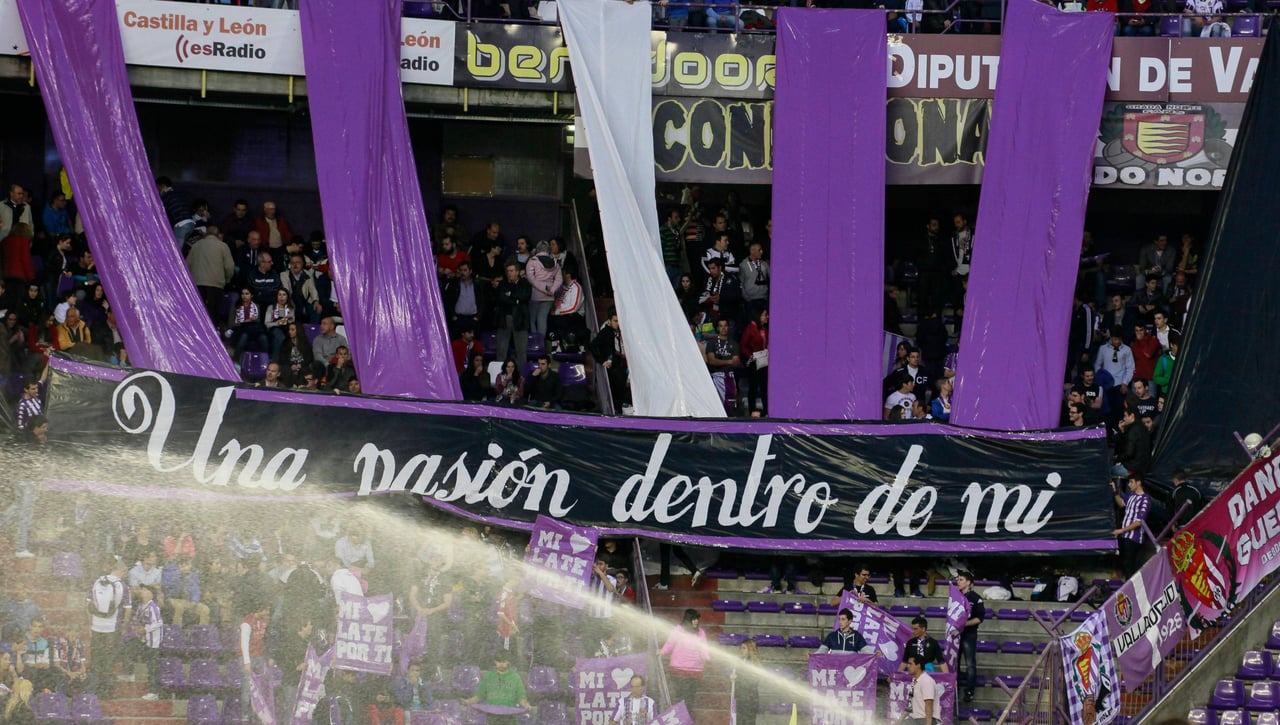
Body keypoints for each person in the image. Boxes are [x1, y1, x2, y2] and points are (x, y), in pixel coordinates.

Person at [88, 555, 131, 699]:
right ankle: (107, 692)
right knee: (109, 660)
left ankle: (93, 690)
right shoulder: (122, 586)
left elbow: (88, 606)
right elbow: (128, 609)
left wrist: (91, 623)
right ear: (122, 570)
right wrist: (123, 627)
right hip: (111, 629)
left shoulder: (97, 581)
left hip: (96, 627)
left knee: (96, 659)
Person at [659, 610, 710, 716]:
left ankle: (687, 719)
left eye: (697, 619)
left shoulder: (701, 632)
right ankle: (680, 718)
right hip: (679, 669)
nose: (696, 621)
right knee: (680, 696)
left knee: (690, 698)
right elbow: (670, 643)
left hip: (695, 670)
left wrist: (707, 658)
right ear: (688, 619)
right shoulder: (678, 630)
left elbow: (704, 648)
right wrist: (662, 651)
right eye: (694, 619)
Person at [464, 654, 531, 725]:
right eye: (499, 662)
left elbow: (521, 696)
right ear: (495, 662)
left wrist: (526, 705)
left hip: (510, 716)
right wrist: (468, 701)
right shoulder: (489, 676)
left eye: (504, 661)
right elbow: (479, 695)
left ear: (508, 662)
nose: (501, 664)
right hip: (492, 716)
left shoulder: (515, 677)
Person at [591, 310, 629, 413]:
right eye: (615, 321)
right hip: (612, 367)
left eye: (618, 321)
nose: (617, 323)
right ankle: (616, 409)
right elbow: (593, 346)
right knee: (616, 389)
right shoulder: (606, 332)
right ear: (610, 321)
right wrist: (602, 360)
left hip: (619, 364)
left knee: (621, 387)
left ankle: (620, 408)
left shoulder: (619, 332)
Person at [1113, 475, 1151, 577]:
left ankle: (1131, 590)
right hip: (1124, 536)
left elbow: (1139, 521)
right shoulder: (1131, 496)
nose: (1129, 484)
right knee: (1124, 564)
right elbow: (1121, 504)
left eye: (1131, 482)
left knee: (1129, 565)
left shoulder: (1145, 499)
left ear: (1138, 483)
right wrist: (1115, 492)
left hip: (1134, 537)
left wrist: (1121, 530)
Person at [494, 262, 532, 366]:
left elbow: (525, 296)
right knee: (501, 350)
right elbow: (501, 298)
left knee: (521, 351)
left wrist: (510, 296)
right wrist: (516, 300)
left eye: (511, 271)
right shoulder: (503, 284)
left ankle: (521, 378)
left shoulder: (525, 283)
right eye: (508, 271)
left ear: (518, 272)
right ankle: (499, 378)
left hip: (520, 320)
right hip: (504, 319)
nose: (509, 273)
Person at [956, 571, 984, 703]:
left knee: (970, 663)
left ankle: (969, 691)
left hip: (969, 634)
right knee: (954, 662)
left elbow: (979, 618)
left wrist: (964, 624)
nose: (958, 582)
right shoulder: (955, 597)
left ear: (968, 582)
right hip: (955, 634)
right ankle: (953, 689)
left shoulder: (976, 598)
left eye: (961, 579)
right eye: (958, 579)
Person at [525, 241, 562, 338]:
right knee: (542, 318)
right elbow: (559, 280)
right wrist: (552, 290)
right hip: (549, 296)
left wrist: (542, 289)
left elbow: (530, 278)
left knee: (532, 320)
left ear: (537, 249)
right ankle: (541, 343)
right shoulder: (555, 263)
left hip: (536, 295)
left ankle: (535, 343)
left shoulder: (532, 261)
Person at [739, 308, 768, 417]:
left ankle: (766, 411)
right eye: (764, 315)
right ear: (758, 316)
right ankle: (752, 410)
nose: (767, 317)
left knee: (765, 387)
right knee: (753, 388)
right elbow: (743, 345)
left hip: (765, 361)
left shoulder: (765, 328)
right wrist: (751, 356)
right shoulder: (750, 329)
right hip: (755, 362)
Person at [898, 653, 939, 725]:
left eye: (910, 664)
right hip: (913, 719)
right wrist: (898, 721)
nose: (908, 666)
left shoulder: (926, 681)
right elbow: (909, 705)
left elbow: (929, 703)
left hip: (924, 720)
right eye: (908, 664)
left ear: (918, 665)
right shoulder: (914, 681)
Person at [228, 288, 267, 361]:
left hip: (253, 330)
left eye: (247, 294)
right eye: (242, 294)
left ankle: (266, 361)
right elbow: (231, 323)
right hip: (239, 329)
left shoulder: (257, 306)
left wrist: (251, 321)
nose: (244, 296)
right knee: (244, 336)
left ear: (251, 295)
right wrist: (244, 323)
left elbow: (258, 321)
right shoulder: (236, 306)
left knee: (263, 337)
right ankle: (235, 361)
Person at [730, 640, 762, 725]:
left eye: (744, 648)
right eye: (741, 648)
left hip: (749, 698)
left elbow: (753, 680)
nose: (741, 650)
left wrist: (738, 678)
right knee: (740, 721)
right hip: (741, 697)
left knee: (748, 721)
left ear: (750, 649)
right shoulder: (740, 661)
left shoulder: (754, 663)